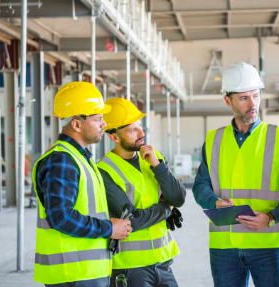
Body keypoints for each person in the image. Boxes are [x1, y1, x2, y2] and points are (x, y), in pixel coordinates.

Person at [192, 62, 279, 287]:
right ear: (228, 100)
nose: (252, 104)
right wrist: (214, 203)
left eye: (255, 95)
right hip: (224, 246)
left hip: (268, 246)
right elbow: (199, 187)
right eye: (244, 98)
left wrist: (271, 218)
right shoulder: (214, 139)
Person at [33, 82, 132, 287]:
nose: (104, 124)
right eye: (98, 119)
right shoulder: (61, 160)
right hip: (73, 274)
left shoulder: (79, 158)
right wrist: (108, 228)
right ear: (77, 124)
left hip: (83, 272)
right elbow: (61, 217)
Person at [97, 98, 186, 287]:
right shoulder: (105, 171)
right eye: (132, 129)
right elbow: (132, 221)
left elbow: (178, 198)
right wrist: (166, 207)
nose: (141, 133)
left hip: (163, 262)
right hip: (130, 269)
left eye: (140, 126)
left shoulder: (154, 158)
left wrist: (158, 166)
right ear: (114, 137)